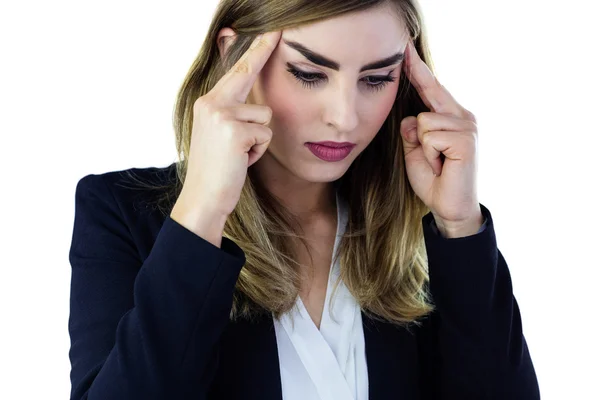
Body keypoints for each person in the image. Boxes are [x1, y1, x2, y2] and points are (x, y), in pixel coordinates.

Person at [67, 1, 540, 399]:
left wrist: (460, 226)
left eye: (377, 79)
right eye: (309, 73)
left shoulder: (420, 240)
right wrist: (203, 214)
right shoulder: (120, 212)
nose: (345, 117)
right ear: (235, 57)